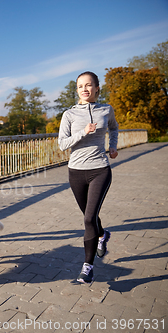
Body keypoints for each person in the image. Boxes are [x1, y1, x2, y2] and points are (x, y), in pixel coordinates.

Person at [58, 71, 119, 284]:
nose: (84, 89)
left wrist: (112, 146)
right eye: (80, 86)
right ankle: (103, 235)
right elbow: (62, 144)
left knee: (87, 219)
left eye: (89, 85)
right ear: (77, 90)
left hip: (100, 169)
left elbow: (114, 127)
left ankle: (87, 267)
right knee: (90, 216)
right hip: (75, 172)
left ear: (96, 88)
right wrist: (83, 132)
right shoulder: (69, 114)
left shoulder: (106, 110)